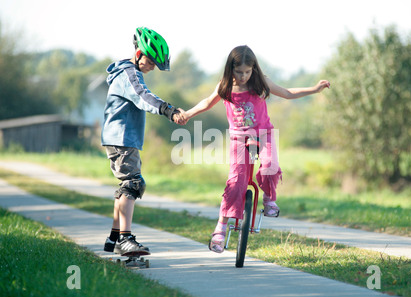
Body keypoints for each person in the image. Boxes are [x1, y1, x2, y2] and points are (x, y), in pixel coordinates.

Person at [181, 45, 330, 253]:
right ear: (230, 69)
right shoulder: (225, 86)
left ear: (254, 69)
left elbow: (287, 93)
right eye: (238, 72)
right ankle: (220, 229)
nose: (243, 76)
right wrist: (187, 114)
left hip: (263, 134)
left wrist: (314, 89)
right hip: (239, 139)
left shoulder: (260, 82)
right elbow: (207, 103)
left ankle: (269, 198)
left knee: (270, 165)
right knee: (235, 183)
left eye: (247, 72)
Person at [102, 27, 185, 256]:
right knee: (133, 184)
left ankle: (114, 237)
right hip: (122, 137)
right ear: (138, 53)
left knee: (125, 187)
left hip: (120, 137)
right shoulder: (130, 74)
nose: (151, 67)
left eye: (155, 65)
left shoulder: (125, 72)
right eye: (150, 61)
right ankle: (125, 239)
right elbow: (142, 96)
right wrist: (167, 109)